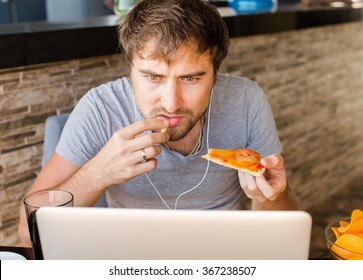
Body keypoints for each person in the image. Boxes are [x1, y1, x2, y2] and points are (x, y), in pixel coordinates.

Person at [18, 0, 298, 246]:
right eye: (153, 77)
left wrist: (269, 196)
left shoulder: (246, 100)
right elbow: (27, 230)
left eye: (190, 78)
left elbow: (286, 234)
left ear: (216, 74)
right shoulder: (101, 108)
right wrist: (98, 174)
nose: (171, 102)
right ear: (130, 70)